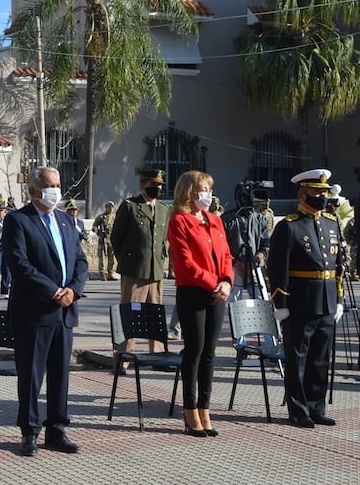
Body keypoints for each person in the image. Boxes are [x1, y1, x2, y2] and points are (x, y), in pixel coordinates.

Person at [4, 166, 87, 456]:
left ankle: (57, 429)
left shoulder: (66, 221)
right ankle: (29, 431)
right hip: (34, 312)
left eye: (58, 184)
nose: (55, 190)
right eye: (49, 186)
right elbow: (20, 265)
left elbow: (80, 260)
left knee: (60, 373)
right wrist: (54, 291)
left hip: (65, 311)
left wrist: (73, 290)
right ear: (33, 191)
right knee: (31, 374)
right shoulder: (18, 220)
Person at [267, 168, 344, 429]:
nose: (322, 196)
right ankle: (298, 411)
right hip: (299, 303)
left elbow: (339, 265)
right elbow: (277, 269)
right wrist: (281, 305)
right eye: (316, 192)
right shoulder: (288, 226)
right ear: (302, 194)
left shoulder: (332, 224)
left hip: (327, 302)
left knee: (320, 359)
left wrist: (339, 299)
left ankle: (316, 406)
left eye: (324, 191)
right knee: (297, 359)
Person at [167, 171, 233, 437]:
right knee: (193, 351)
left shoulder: (215, 220)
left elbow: (227, 254)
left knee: (209, 354)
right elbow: (185, 263)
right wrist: (213, 282)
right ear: (188, 193)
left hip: (218, 294)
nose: (207, 194)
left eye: (209, 189)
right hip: (193, 292)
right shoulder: (179, 222)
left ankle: (205, 408)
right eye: (202, 189)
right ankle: (189, 409)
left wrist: (227, 281)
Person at [111, 168, 171, 364]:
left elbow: (163, 241)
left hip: (156, 271)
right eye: (153, 185)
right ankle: (124, 357)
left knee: (155, 314)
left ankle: (158, 356)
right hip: (134, 271)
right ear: (143, 185)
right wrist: (127, 261)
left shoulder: (163, 209)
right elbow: (116, 238)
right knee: (130, 313)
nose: (157, 188)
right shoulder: (130, 206)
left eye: (160, 185)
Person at [222, 190, 270, 301]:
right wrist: (236, 263)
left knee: (262, 299)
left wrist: (257, 258)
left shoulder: (260, 218)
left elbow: (266, 244)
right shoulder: (227, 219)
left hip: (254, 267)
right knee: (233, 303)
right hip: (234, 267)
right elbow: (222, 245)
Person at [92, 200, 117, 280]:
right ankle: (102, 273)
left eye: (111, 206)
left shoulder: (114, 217)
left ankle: (110, 273)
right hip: (103, 239)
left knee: (111, 257)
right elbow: (94, 226)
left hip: (111, 239)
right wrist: (98, 232)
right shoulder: (101, 217)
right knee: (102, 256)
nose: (110, 208)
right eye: (108, 206)